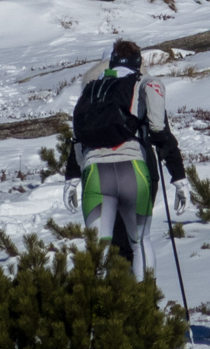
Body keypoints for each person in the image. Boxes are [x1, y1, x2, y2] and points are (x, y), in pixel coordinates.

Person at [66, 39, 188, 281]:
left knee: (98, 252)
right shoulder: (143, 84)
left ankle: (100, 311)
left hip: (94, 174)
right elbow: (159, 131)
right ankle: (146, 305)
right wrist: (179, 176)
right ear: (138, 62)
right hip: (133, 170)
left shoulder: (92, 89)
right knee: (140, 242)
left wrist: (71, 177)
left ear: (110, 61)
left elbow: (78, 137)